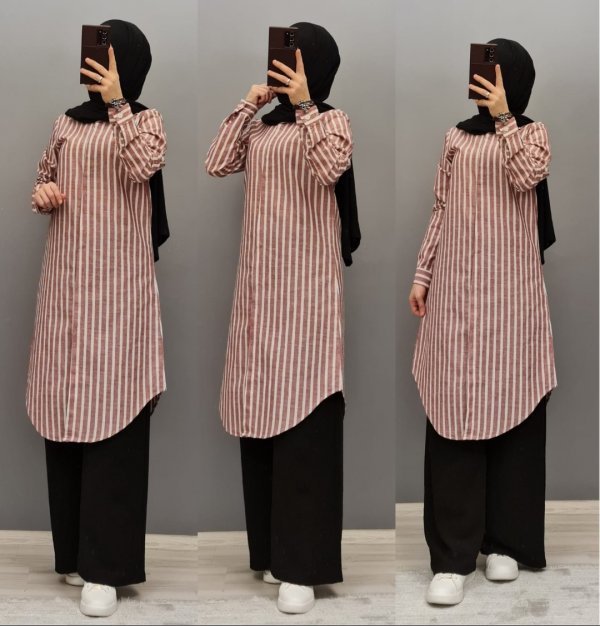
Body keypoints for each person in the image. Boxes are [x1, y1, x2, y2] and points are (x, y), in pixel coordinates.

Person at [206, 22, 359, 615]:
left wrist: (305, 104)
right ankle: (273, 552)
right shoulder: (265, 128)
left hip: (308, 295)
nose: (284, 66)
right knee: (262, 418)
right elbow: (218, 161)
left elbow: (329, 169)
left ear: (315, 65)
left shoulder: (333, 122)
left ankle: (305, 566)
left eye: (296, 58)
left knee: (306, 423)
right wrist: (251, 103)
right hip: (259, 293)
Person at [27, 19, 168, 618]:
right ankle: (73, 554)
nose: (96, 67)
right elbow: (46, 174)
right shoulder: (66, 122)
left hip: (119, 294)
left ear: (128, 63)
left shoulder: (145, 121)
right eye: (93, 57)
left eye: (108, 58)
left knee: (114, 413)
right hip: (66, 289)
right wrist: (45, 192)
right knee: (65, 413)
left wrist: (116, 104)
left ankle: (107, 568)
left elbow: (143, 167)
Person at [408, 39, 556, 606]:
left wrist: (504, 117)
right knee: (455, 410)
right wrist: (423, 274)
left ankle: (504, 543)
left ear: (514, 80)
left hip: (513, 296)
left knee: (514, 406)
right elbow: (441, 207)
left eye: (496, 74)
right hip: (456, 293)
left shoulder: (532, 134)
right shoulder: (456, 137)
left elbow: (527, 176)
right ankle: (452, 556)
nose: (484, 82)